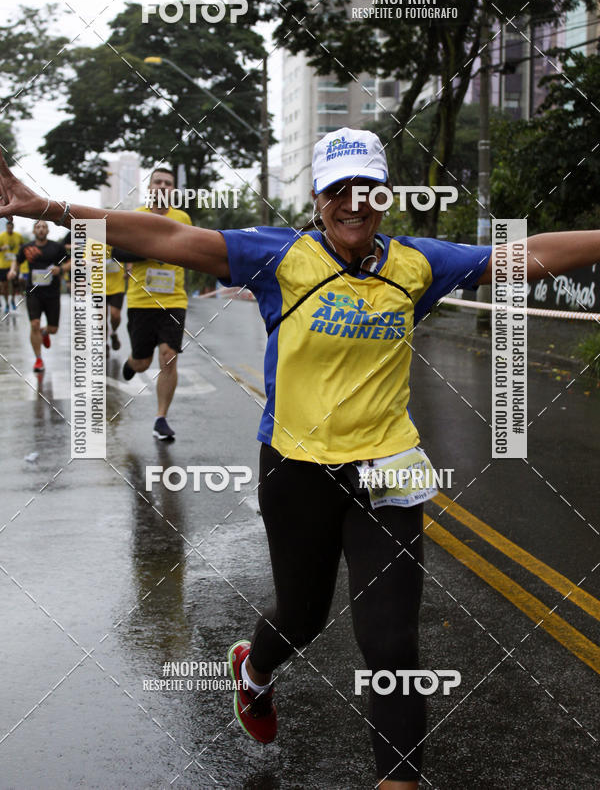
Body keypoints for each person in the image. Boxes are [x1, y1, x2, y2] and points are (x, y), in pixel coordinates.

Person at [2, 129, 600, 788]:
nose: (353, 203)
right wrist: (46, 207)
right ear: (316, 198)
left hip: (389, 471)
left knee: (392, 644)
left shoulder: (418, 264)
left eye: (367, 189)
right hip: (296, 472)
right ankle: (255, 670)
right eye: (337, 190)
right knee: (303, 617)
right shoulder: (279, 256)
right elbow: (167, 237)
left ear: (386, 196)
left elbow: (520, 256)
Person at [110, 167, 192, 441]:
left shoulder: (182, 218)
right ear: (150, 188)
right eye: (158, 182)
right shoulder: (137, 217)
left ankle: (161, 418)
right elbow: (118, 251)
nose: (163, 186)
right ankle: (132, 364)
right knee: (144, 362)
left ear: (173, 190)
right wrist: (152, 250)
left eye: (168, 183)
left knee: (168, 356)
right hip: (141, 300)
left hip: (174, 300)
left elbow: (191, 249)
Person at [8, 219, 70, 372]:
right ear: (34, 231)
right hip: (33, 292)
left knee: (53, 329)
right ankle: (38, 360)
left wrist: (61, 269)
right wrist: (13, 270)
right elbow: (16, 261)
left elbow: (72, 261)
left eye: (44, 227)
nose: (41, 229)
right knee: (34, 324)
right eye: (38, 227)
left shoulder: (57, 248)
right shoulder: (27, 248)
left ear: (48, 231)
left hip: (52, 293)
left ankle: (45, 331)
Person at [0, 217, 22, 313]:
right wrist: (2, 248)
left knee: (14, 285)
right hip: (3, 265)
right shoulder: (1, 236)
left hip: (14, 264)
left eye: (11, 228)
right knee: (4, 286)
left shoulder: (18, 236)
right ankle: (7, 304)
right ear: (6, 227)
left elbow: (22, 246)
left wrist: (20, 250)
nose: (9, 230)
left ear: (13, 227)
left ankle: (12, 300)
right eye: (8, 228)